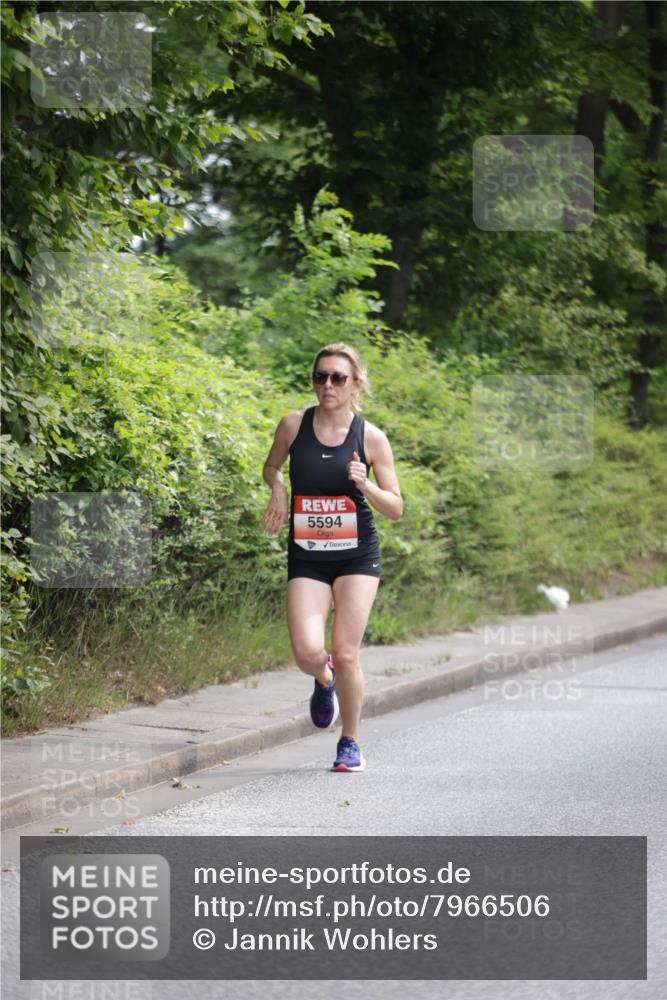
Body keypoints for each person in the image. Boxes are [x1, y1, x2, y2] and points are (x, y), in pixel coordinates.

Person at [260, 342, 403, 772]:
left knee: (345, 653)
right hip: (307, 555)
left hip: (357, 556)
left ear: (356, 384)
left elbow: (395, 507)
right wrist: (279, 488)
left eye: (338, 378)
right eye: (320, 377)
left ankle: (350, 742)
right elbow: (271, 467)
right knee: (308, 652)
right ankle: (324, 682)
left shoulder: (371, 437)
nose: (328, 385)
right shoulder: (292, 424)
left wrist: (365, 485)